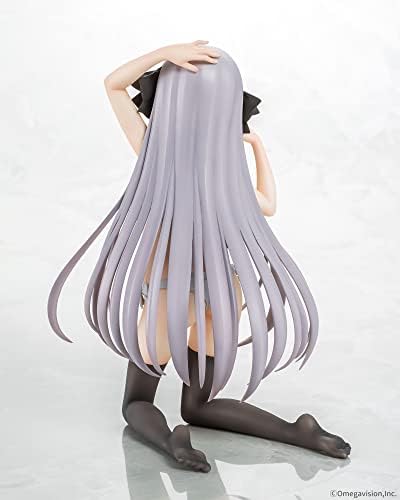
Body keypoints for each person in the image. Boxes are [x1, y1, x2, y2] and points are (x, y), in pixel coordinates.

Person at [48, 40, 351, 473]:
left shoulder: (155, 153)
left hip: (170, 293)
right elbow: (268, 204)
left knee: (136, 402)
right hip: (226, 291)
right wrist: (256, 146)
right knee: (199, 404)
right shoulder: (228, 172)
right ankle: (296, 431)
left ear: (169, 102)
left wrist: (165, 53)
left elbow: (113, 85)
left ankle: (172, 443)